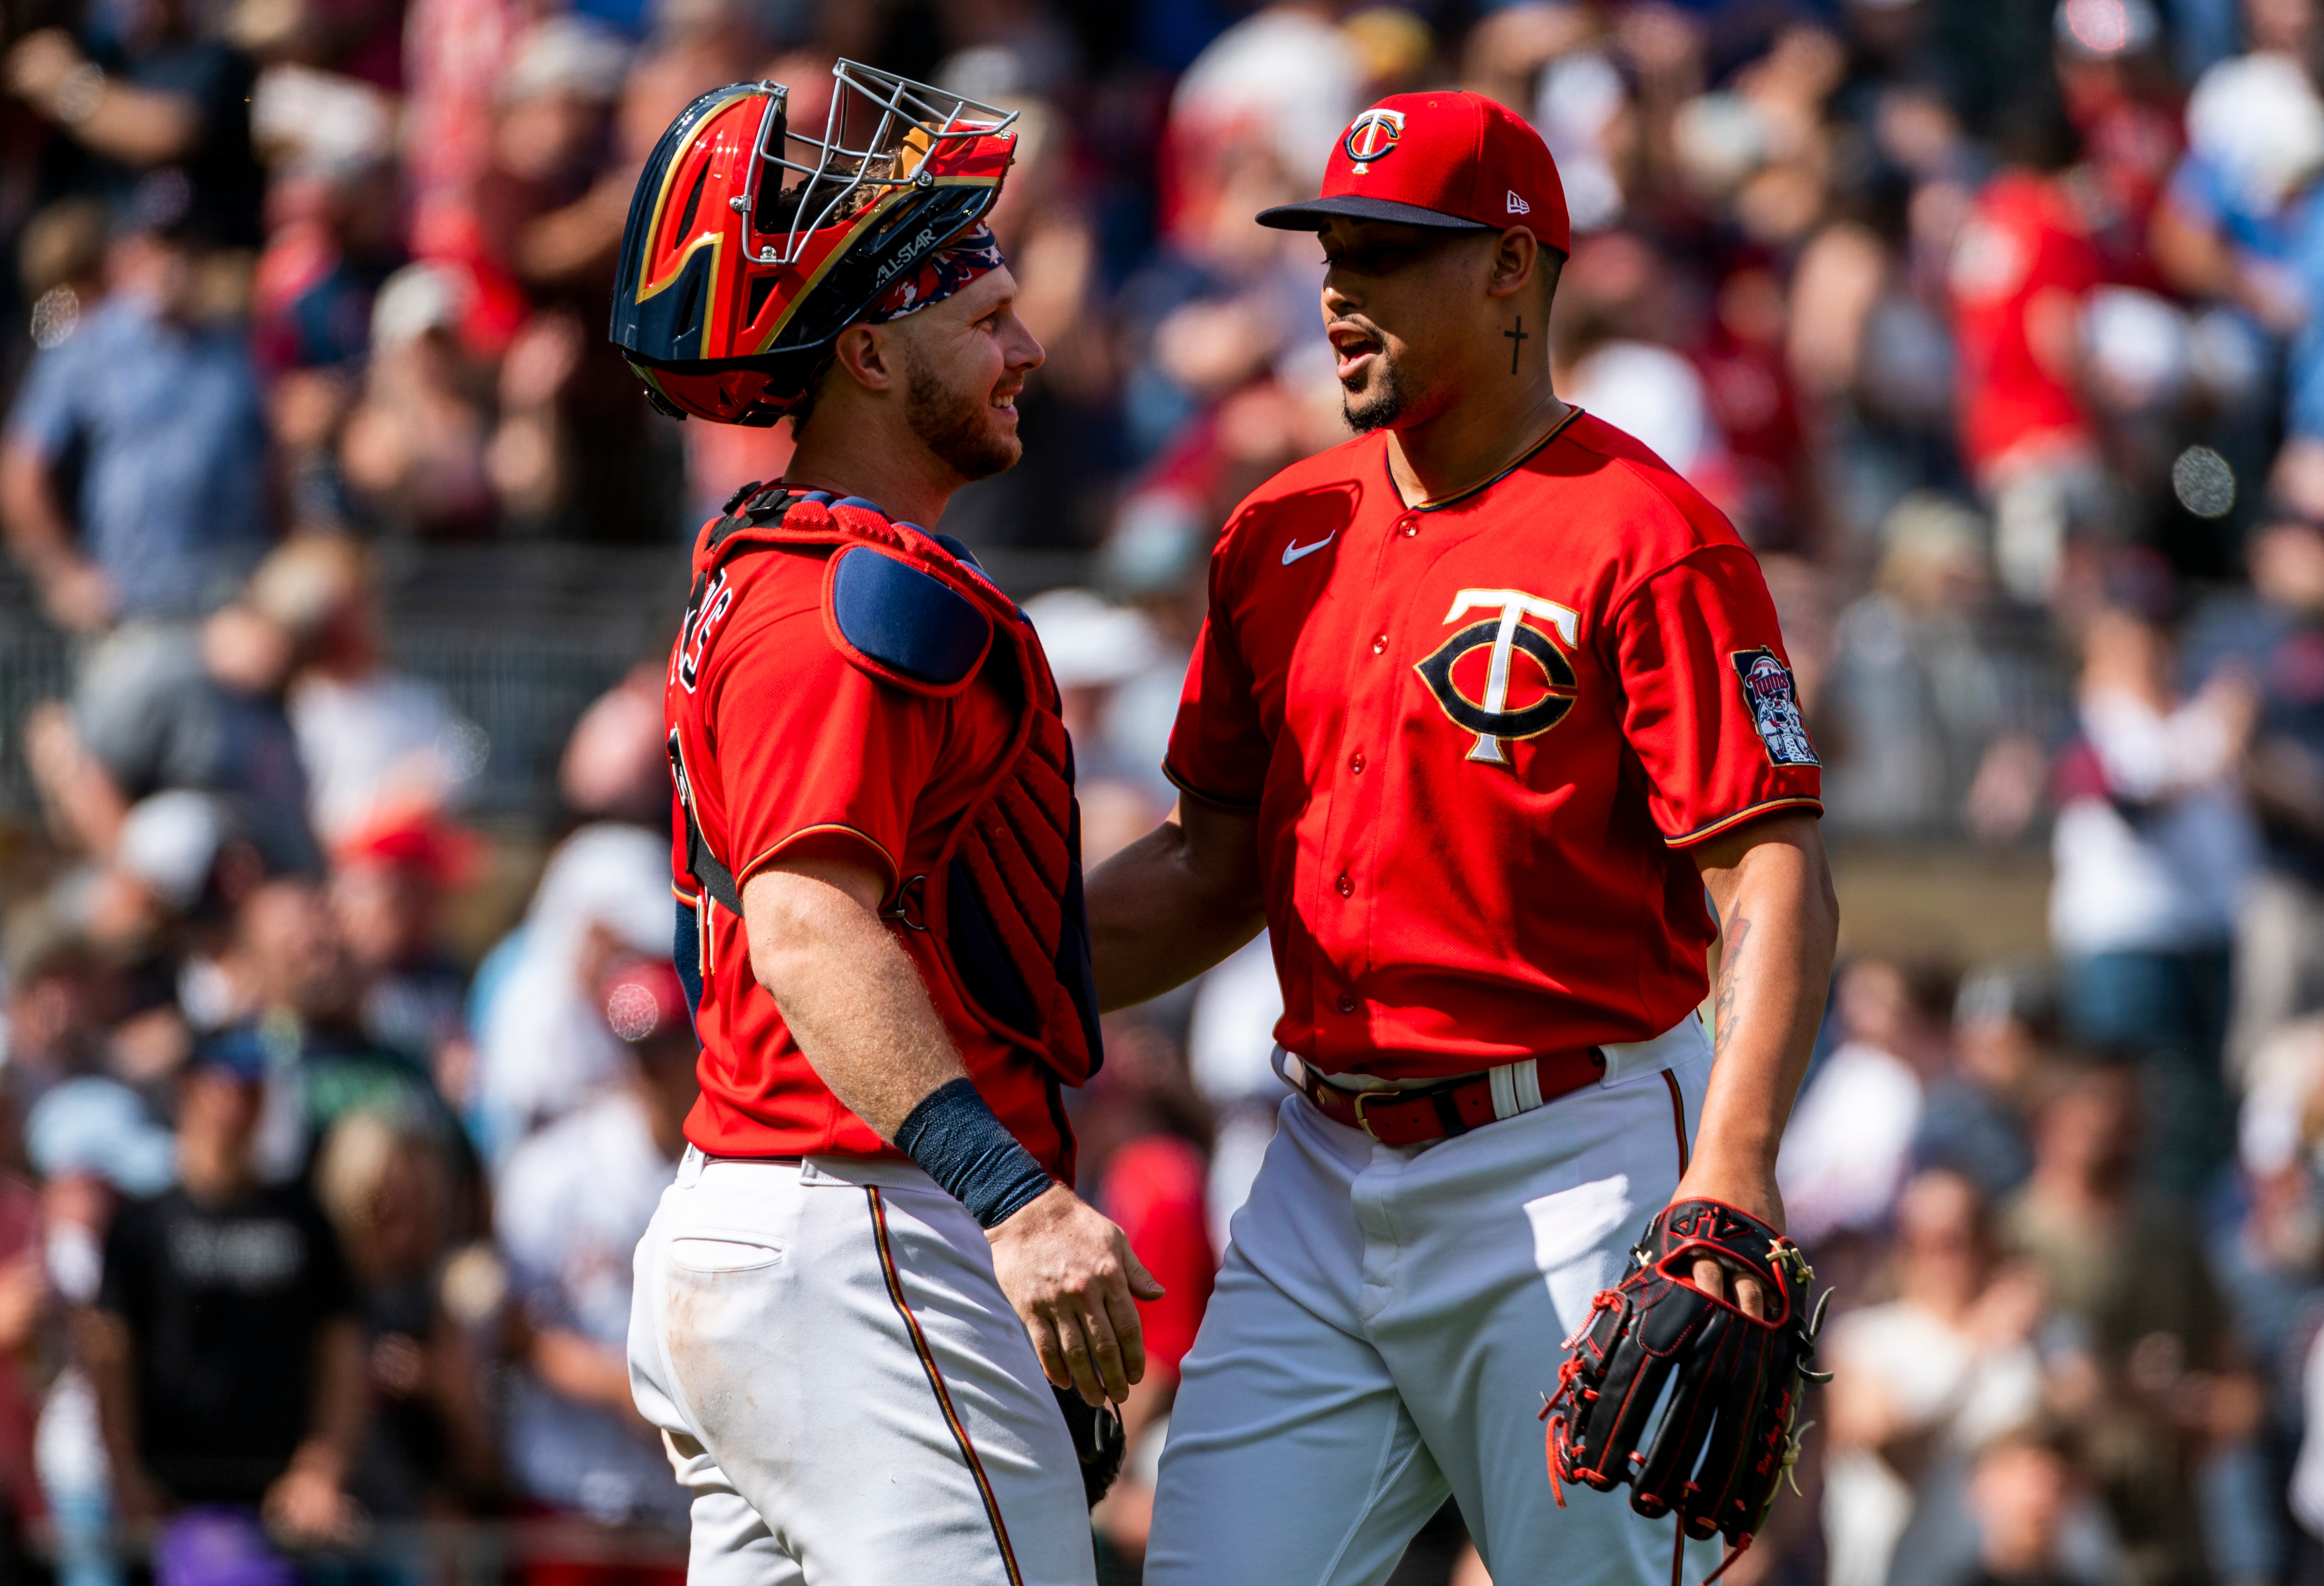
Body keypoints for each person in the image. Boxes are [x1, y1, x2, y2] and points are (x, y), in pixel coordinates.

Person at [1085, 91, 1839, 1584]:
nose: (1338, 289)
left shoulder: (1648, 533)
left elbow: (1767, 864)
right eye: (1327, 250)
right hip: (1316, 1164)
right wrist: (954, 972)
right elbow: (1207, 868)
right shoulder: (1277, 530)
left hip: (1569, 1157)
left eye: (1385, 250)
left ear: (1510, 268)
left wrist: (1736, 1164)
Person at [617, 67, 1158, 1586]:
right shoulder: (849, 600)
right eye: (984, 316)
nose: (1028, 346)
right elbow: (805, 923)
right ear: (864, 348)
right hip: (862, 1224)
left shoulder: (796, 571)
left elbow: (1000, 950)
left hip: (787, 1226)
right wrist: (1022, 1202)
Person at [78, 1039, 365, 1543]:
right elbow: (111, 1349)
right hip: (169, 1496)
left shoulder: (303, 1218)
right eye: (227, 1087)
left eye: (254, 1089)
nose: (241, 1104)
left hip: (280, 1502)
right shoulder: (142, 1224)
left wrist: (321, 1469)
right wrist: (125, 1473)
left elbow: (340, 1349)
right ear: (186, 1088)